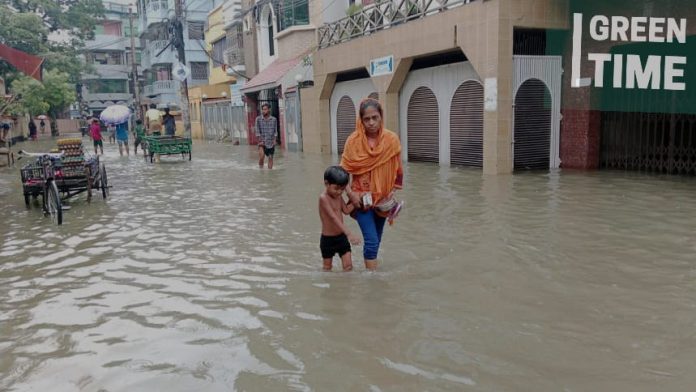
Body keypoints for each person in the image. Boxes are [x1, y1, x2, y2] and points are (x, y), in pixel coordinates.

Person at [341, 98, 404, 271]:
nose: (371, 123)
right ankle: (372, 279)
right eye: (366, 119)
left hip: (383, 199)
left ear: (381, 117)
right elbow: (342, 173)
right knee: (371, 239)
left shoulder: (391, 140)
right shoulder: (353, 142)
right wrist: (351, 194)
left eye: (375, 118)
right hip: (360, 199)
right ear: (360, 120)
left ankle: (371, 273)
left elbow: (397, 168)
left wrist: (392, 190)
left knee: (377, 237)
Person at [319, 166, 361, 271]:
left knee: (348, 267)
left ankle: (346, 287)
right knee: (327, 269)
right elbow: (333, 217)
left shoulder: (338, 196)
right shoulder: (323, 198)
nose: (339, 192)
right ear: (326, 184)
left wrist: (357, 201)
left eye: (342, 189)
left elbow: (346, 210)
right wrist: (349, 234)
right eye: (336, 188)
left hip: (341, 237)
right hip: (327, 240)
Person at [255, 103, 278, 169]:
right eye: (263, 109)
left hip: (270, 142)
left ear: (269, 110)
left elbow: (275, 131)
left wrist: (274, 140)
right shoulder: (258, 119)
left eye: (265, 109)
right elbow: (257, 131)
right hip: (261, 142)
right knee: (262, 156)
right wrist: (260, 140)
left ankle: (270, 172)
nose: (263, 111)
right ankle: (261, 169)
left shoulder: (274, 119)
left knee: (270, 157)